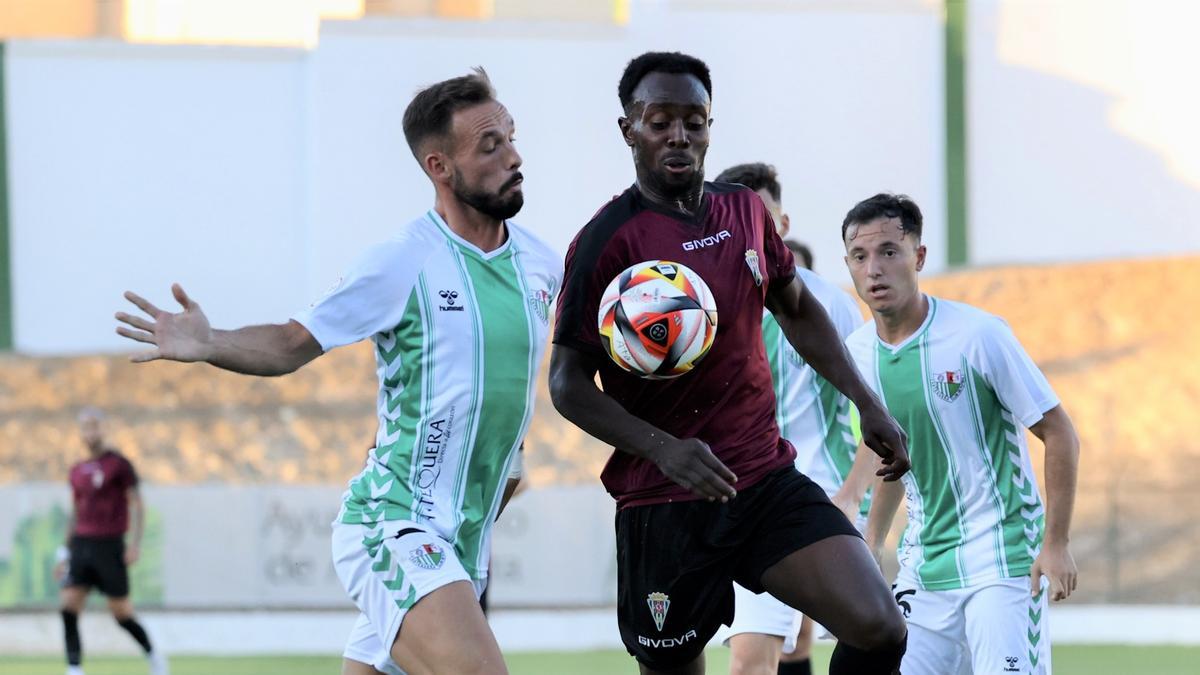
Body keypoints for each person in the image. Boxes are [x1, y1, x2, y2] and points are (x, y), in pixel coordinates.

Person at [115, 68, 561, 675]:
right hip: (392, 525)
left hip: (459, 546)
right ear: (439, 167)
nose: (514, 155)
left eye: (510, 136)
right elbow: (292, 342)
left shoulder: (541, 265)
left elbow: (505, 411)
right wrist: (210, 341)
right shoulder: (403, 260)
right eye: (490, 145)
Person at [549, 51, 910, 675]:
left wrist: (866, 401)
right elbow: (567, 385)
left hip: (761, 477)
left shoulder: (743, 212)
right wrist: (663, 448)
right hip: (663, 499)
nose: (679, 136)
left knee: (879, 625)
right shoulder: (605, 243)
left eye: (695, 119)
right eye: (659, 120)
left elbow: (796, 309)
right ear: (629, 128)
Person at [842, 193, 1080, 675]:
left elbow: (1059, 432)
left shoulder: (978, 335)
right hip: (925, 566)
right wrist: (871, 540)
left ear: (919, 257)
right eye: (860, 256)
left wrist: (1055, 542)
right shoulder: (856, 353)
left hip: (1004, 558)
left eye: (890, 251)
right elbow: (893, 456)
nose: (874, 269)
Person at [712, 163, 872, 675]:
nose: (751, 229)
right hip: (745, 499)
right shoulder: (706, 306)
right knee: (759, 654)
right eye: (738, 218)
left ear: (782, 223)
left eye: (762, 217)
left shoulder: (832, 306)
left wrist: (849, 496)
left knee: (850, 641)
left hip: (819, 497)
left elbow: (879, 410)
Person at [55, 408, 168, 675]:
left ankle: (154, 656)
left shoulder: (119, 465)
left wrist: (135, 543)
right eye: (85, 427)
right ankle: (74, 669)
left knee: (121, 613)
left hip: (109, 545)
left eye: (95, 426)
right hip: (82, 545)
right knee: (68, 605)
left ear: (104, 429)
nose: (90, 432)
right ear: (80, 432)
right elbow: (75, 512)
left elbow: (138, 505)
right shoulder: (77, 470)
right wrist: (63, 553)